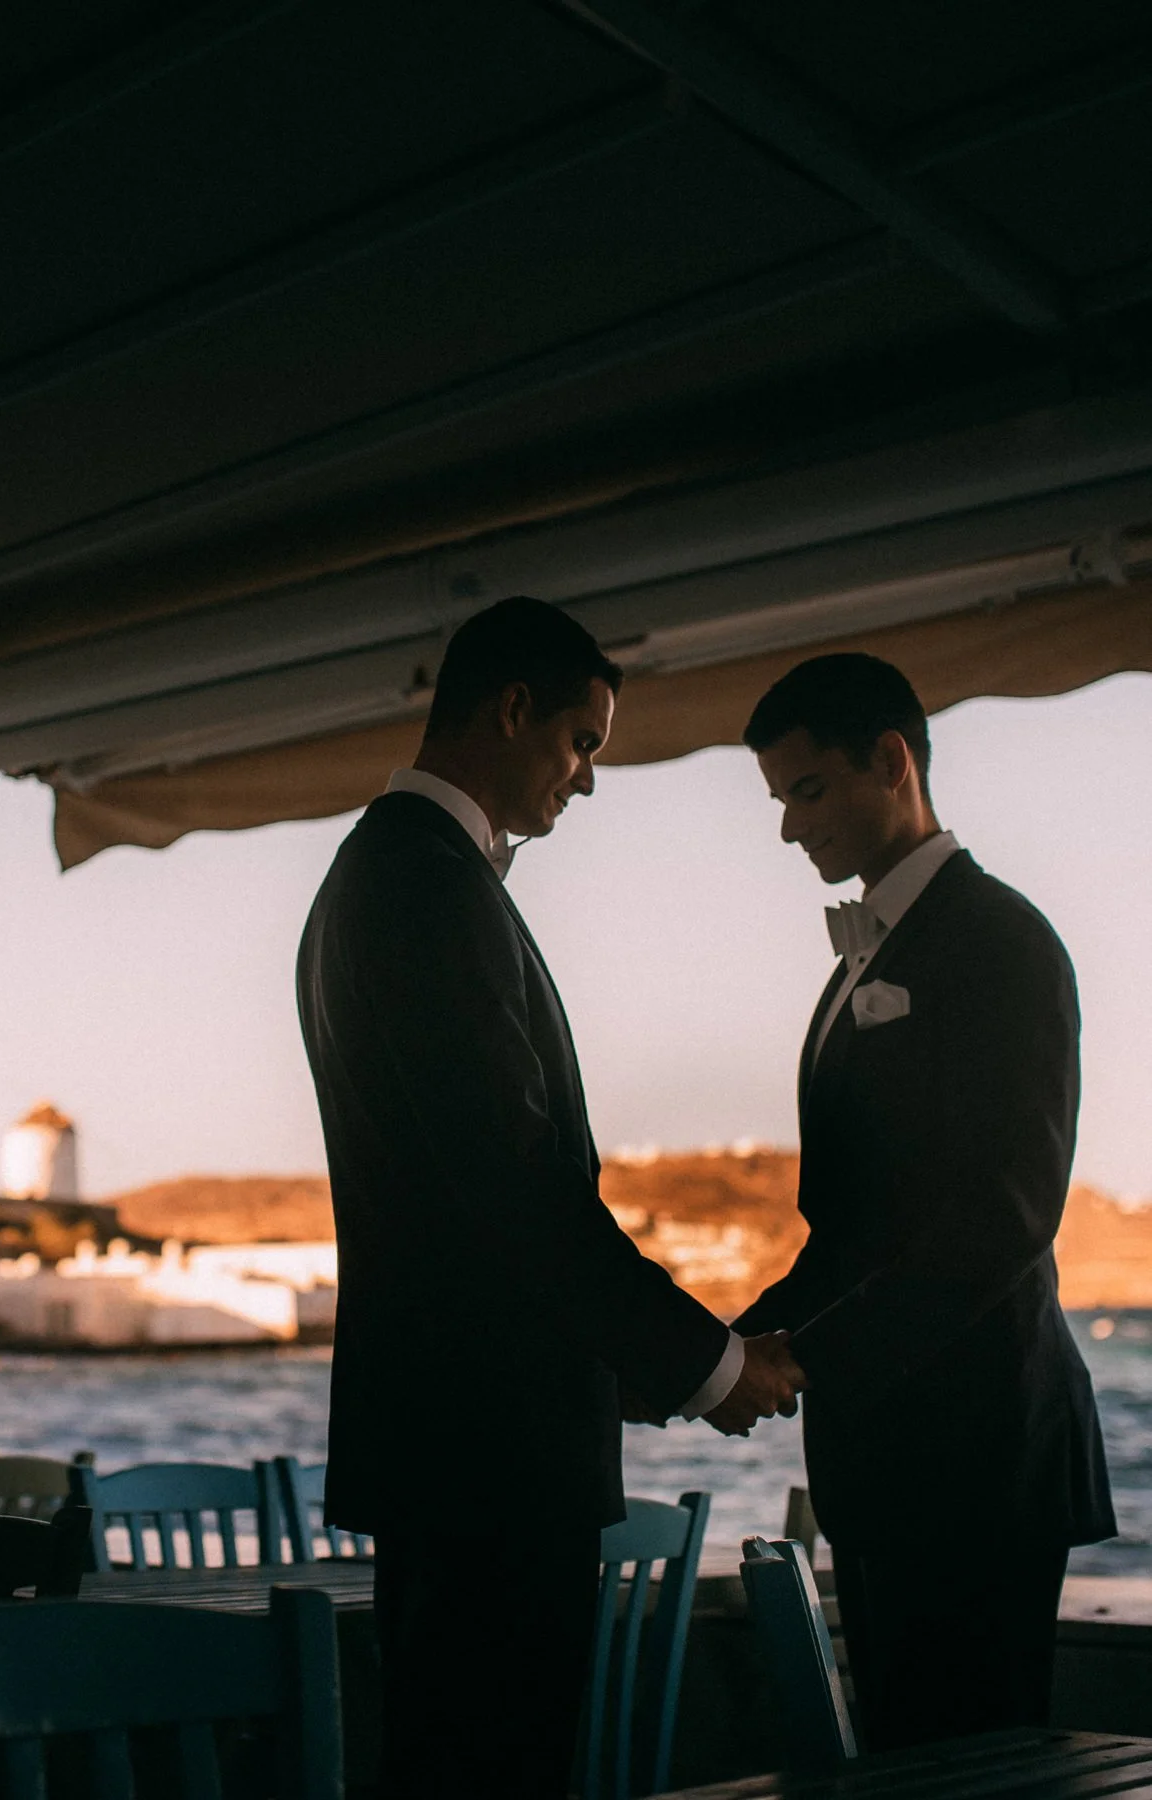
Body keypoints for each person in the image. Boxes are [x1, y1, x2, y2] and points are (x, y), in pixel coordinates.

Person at [297, 597, 803, 1798]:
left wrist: (623, 1360)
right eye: (581, 743)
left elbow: (461, 1203)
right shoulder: (426, 886)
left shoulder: (387, 877)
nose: (585, 781)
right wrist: (711, 1367)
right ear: (512, 708)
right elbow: (516, 1190)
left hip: (452, 1442)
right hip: (488, 1458)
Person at [735, 651, 1115, 1752]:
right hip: (889, 1453)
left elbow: (1004, 1215)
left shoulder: (1001, 939)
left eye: (807, 792)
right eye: (779, 801)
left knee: (971, 1770)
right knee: (912, 1763)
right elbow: (846, 1225)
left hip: (976, 1452)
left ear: (892, 761)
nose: (790, 829)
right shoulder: (861, 962)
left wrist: (808, 1360)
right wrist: (729, 1345)